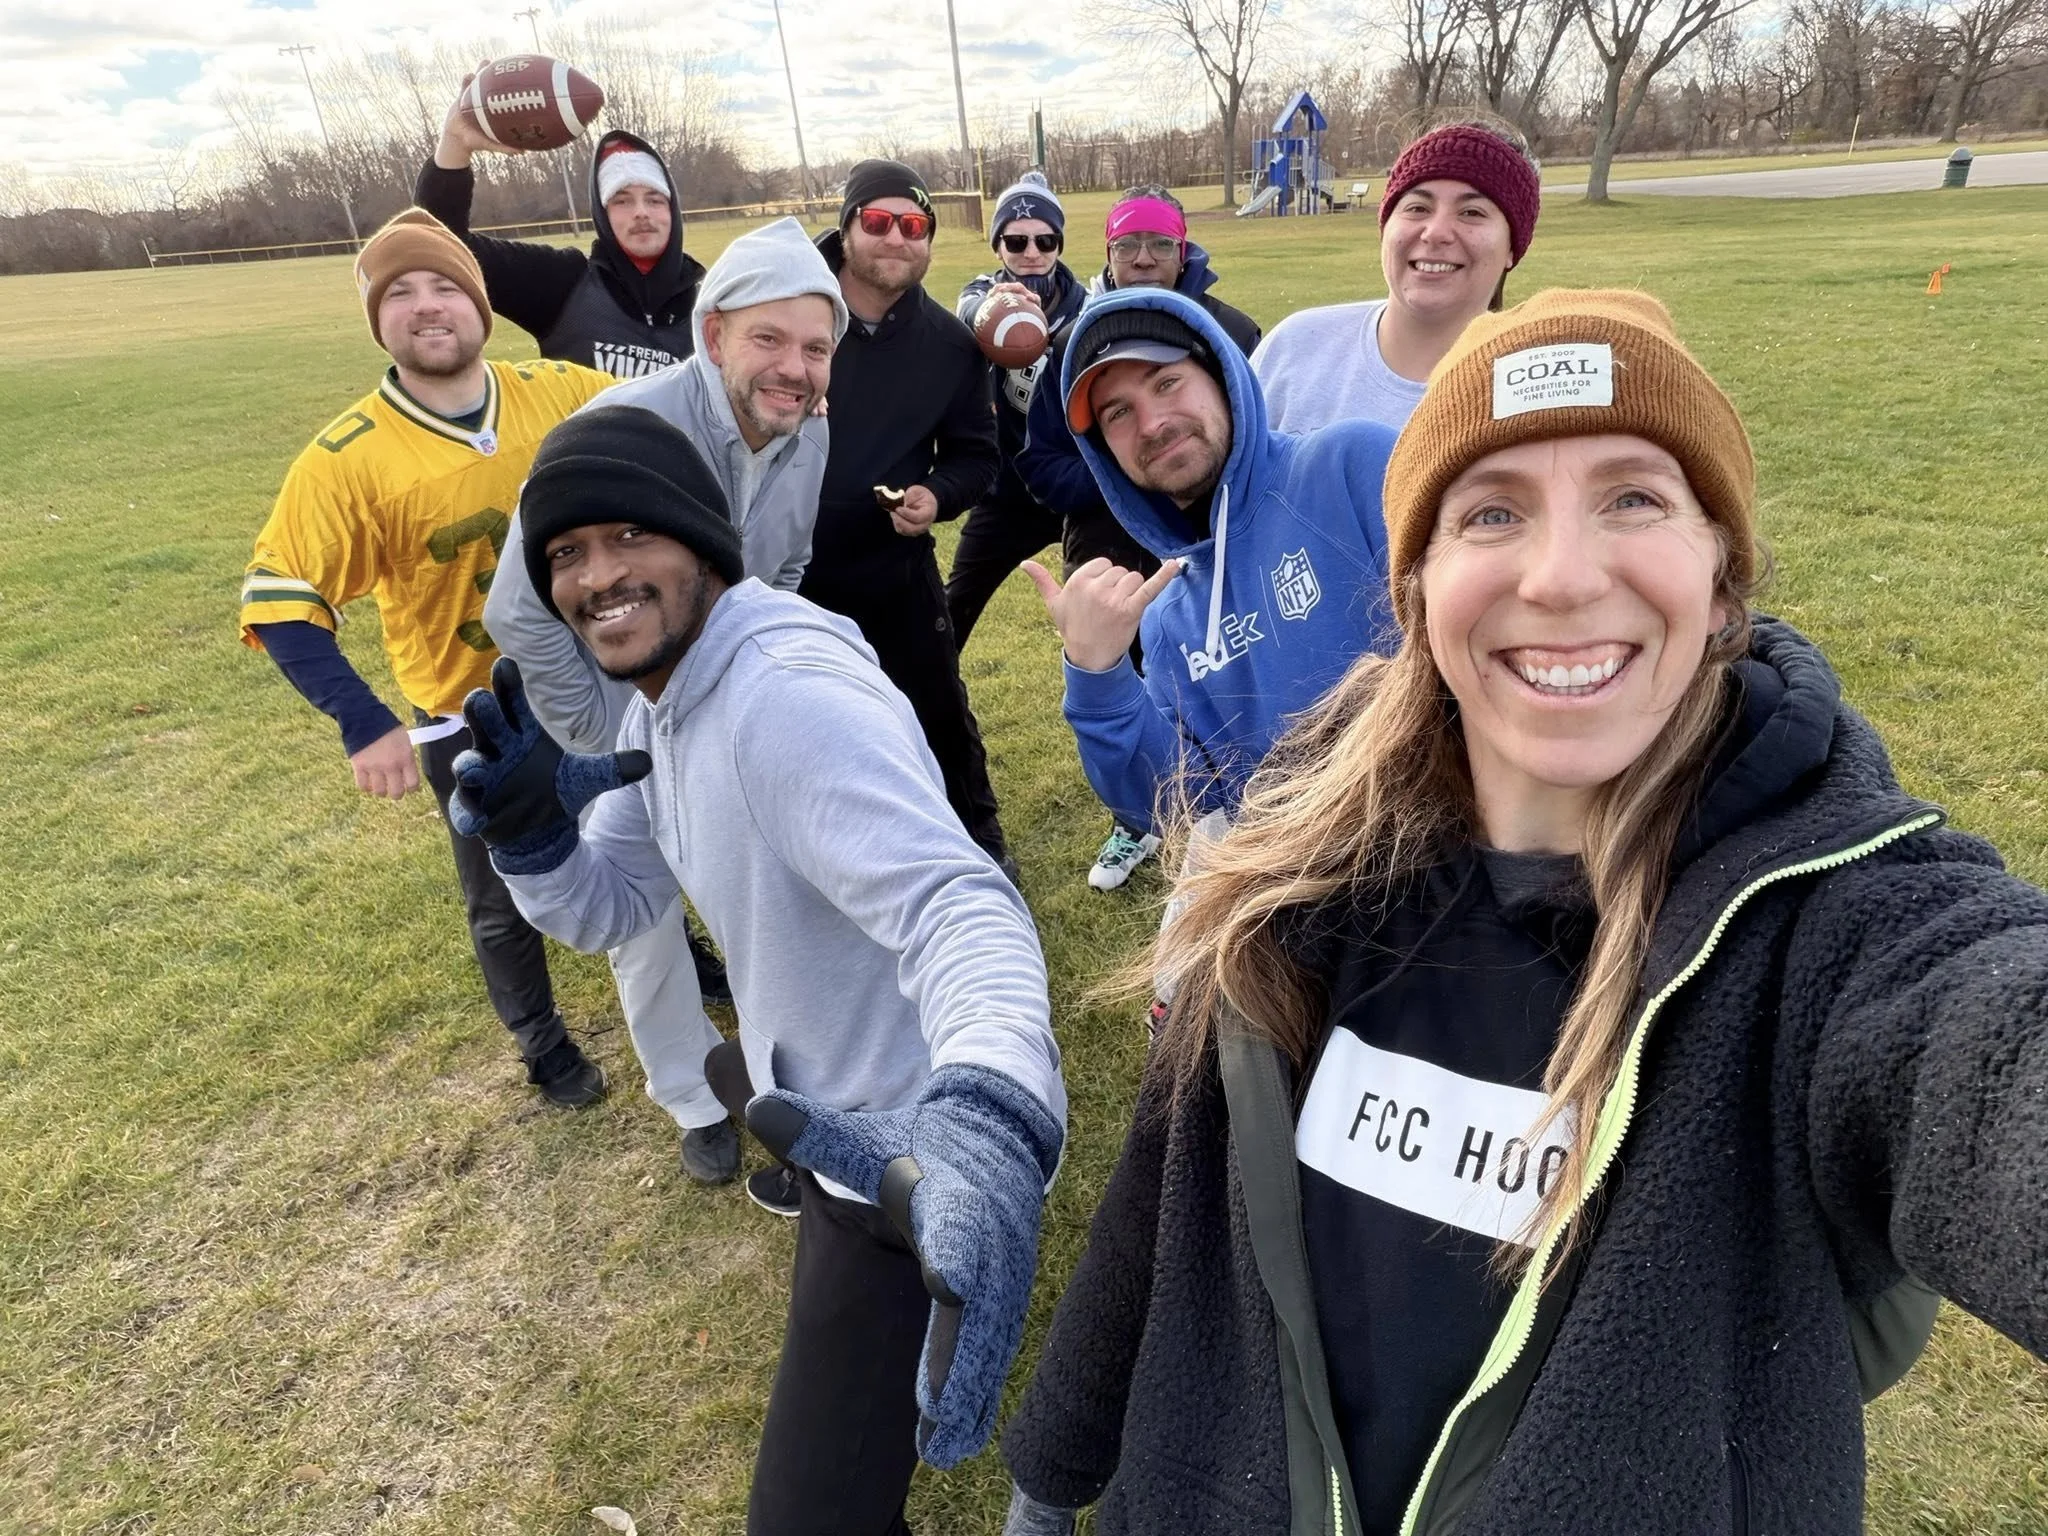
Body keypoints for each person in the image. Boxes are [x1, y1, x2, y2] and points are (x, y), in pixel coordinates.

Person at [999, 289, 2048, 1536]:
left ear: (1722, 582)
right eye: (1491, 512)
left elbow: (1984, 1050)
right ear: (1415, 592)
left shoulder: (1839, 932)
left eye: (1633, 497)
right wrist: (1051, 1469)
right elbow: (1161, 1215)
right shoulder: (1284, 897)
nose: (1556, 577)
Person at [448, 407, 1065, 1536]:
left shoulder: (777, 699)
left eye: (628, 536)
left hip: (907, 1163)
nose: (595, 577)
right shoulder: (670, 697)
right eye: (566, 555)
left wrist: (984, 1115)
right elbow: (618, 904)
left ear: (700, 541)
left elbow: (957, 901)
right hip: (819, 1127)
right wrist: (532, 846)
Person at [481, 216, 848, 1190]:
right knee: (640, 923)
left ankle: (789, 1089)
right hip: (608, 721)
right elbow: (515, 609)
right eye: (770, 338)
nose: (796, 367)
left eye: (816, 347)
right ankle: (690, 1096)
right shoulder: (617, 429)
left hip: (728, 700)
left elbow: (789, 561)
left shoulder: (805, 429)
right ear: (714, 332)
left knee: (767, 890)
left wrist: (770, 671)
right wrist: (611, 738)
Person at [237, 208, 613, 1108]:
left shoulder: (558, 389)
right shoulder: (345, 459)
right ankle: (540, 1039)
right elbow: (282, 595)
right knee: (499, 892)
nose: (426, 305)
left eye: (446, 284)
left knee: (642, 832)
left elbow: (691, 411)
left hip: (596, 681)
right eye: (398, 293)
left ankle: (677, 951)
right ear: (378, 322)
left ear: (481, 306)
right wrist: (363, 723)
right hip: (470, 709)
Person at [1020, 286, 1398, 849]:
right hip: (1296, 899)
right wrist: (1097, 672)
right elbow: (1176, 804)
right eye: (1118, 413)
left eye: (1166, 383)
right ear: (1105, 453)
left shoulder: (1350, 469)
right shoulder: (1168, 618)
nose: (1150, 424)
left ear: (1220, 376)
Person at [1018, 185, 1263, 891]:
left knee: (1220, 680)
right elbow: (1040, 462)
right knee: (1122, 679)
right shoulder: (1074, 348)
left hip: (1218, 551)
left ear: (1183, 250)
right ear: (1109, 254)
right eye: (1130, 246)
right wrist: (1125, 474)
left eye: (1162, 244)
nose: (1147, 259)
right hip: (1108, 550)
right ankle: (1137, 823)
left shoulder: (1233, 332)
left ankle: (1233, 824)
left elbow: (1259, 432)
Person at [801, 159, 1014, 877]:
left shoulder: (950, 346)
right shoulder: (788, 311)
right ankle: (835, 863)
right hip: (782, 574)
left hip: (894, 570)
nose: (897, 238)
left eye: (914, 226)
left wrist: (936, 495)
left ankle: (979, 847)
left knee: (940, 714)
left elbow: (975, 457)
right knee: (810, 726)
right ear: (848, 226)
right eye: (879, 221)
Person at [1253, 120, 1543, 436]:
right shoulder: (1294, 350)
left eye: (1472, 212)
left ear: (1512, 248)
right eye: (1418, 208)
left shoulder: (1537, 392)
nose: (1436, 233)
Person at [417, 76, 703, 378]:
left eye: (655, 200)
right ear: (602, 214)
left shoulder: (711, 302)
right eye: (622, 201)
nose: (641, 213)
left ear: (672, 209)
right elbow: (439, 244)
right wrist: (455, 144)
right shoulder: (564, 283)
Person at [945, 172, 1087, 649]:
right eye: (1016, 240)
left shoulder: (1086, 308)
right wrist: (996, 308)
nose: (1031, 252)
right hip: (1005, 492)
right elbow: (969, 309)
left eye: (1045, 240)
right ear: (998, 246)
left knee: (1108, 618)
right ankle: (926, 711)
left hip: (1072, 486)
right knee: (952, 611)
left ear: (1059, 245)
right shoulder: (985, 294)